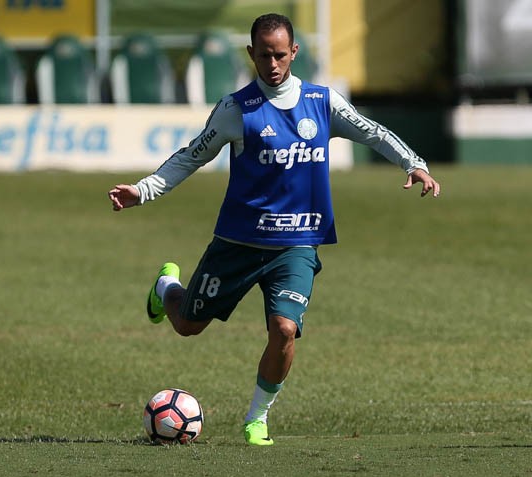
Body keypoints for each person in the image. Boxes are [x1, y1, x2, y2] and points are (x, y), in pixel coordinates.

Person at [107, 13, 441, 446]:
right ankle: (166, 288)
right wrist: (143, 190)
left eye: (280, 54)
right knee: (188, 325)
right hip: (238, 242)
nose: (273, 64)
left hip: (296, 244)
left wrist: (414, 163)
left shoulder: (323, 102)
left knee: (284, 329)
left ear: (294, 52)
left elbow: (372, 132)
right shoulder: (236, 109)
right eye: (264, 55)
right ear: (251, 53)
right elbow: (191, 156)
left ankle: (257, 418)